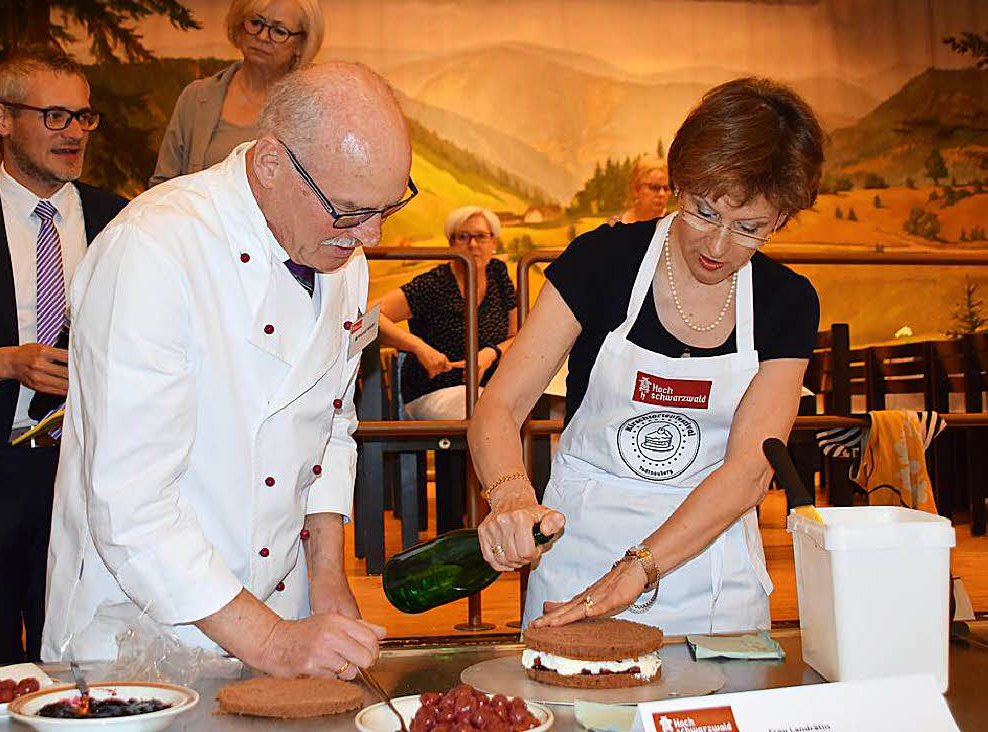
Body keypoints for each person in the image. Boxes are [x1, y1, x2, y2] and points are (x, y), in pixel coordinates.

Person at [42, 62, 416, 680]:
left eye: (387, 208)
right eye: (349, 212)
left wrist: (328, 575)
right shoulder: (154, 250)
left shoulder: (340, 255)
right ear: (270, 165)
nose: (370, 238)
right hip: (143, 629)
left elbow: (330, 426)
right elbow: (130, 508)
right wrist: (271, 643)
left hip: (281, 606)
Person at [469, 78, 823, 636]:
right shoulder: (603, 262)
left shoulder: (786, 302)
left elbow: (750, 468)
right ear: (679, 183)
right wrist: (510, 494)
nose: (716, 246)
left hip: (710, 577)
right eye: (704, 211)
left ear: (782, 219)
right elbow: (500, 406)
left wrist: (640, 568)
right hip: (579, 559)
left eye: (749, 228)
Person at [0, 46, 126, 664]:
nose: (74, 133)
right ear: (3, 119)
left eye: (84, 117)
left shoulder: (121, 220)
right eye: (55, 116)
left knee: (82, 663)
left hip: (91, 475)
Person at [148, 0, 324, 186]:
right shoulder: (196, 96)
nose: (263, 36)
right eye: (256, 23)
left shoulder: (311, 109)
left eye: (279, 31)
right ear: (239, 27)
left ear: (301, 43)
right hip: (195, 214)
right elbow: (162, 185)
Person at [373, 206, 517, 421]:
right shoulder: (433, 284)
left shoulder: (498, 273)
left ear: (493, 242)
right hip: (432, 390)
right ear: (451, 244)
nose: (473, 244)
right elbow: (370, 316)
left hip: (489, 391)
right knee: (486, 415)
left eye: (481, 236)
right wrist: (418, 347)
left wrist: (490, 354)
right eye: (463, 237)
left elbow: (518, 336)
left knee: (523, 407)